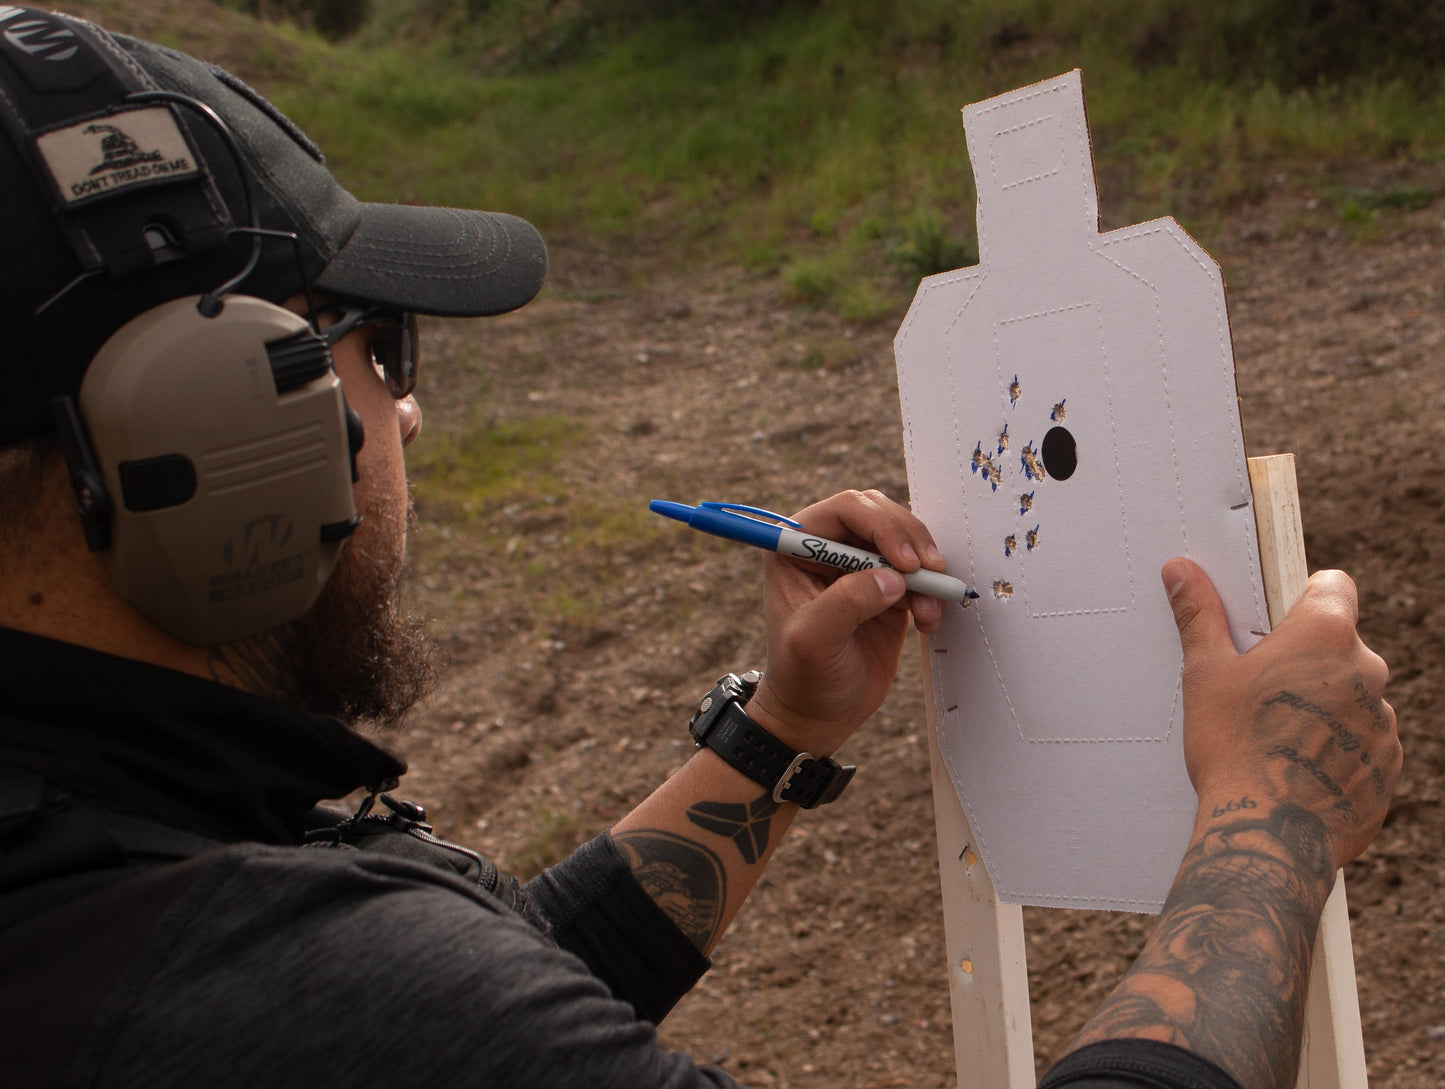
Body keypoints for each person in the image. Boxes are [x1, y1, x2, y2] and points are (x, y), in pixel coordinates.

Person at [0, 10, 1399, 1089]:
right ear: (198, 427)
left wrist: (774, 738)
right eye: (371, 348)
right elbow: (421, 1018)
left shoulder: (99, 880)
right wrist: (1267, 819)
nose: (405, 413)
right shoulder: (265, 987)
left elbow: (487, 1000)